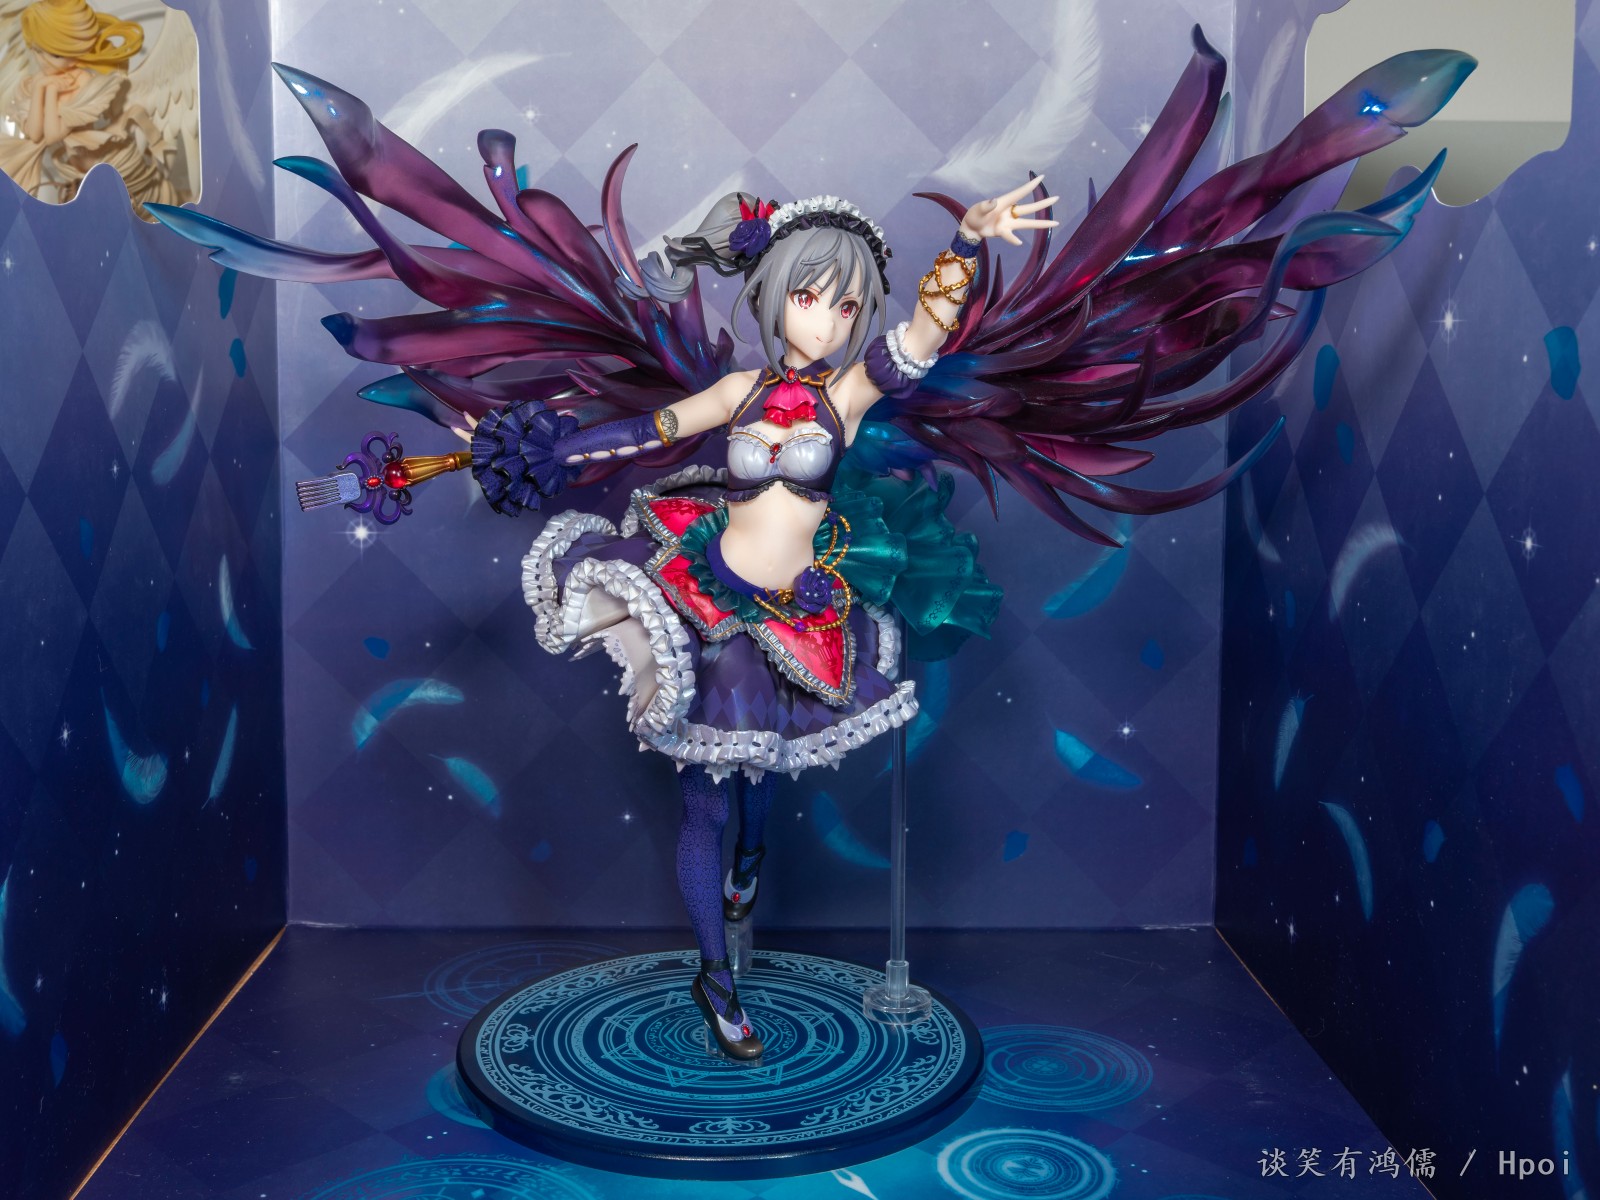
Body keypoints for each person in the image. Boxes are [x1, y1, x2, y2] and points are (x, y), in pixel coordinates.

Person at [150, 30, 1474, 1060]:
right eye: (811, 298)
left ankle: (740, 884)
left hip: (799, 613)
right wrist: (523, 450)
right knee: (706, 794)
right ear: (774, 298)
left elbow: (924, 342)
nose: (829, 318)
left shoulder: (847, 394)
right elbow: (644, 432)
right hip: (703, 593)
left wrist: (965, 247)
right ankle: (717, 982)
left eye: (846, 300)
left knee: (753, 802)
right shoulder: (741, 388)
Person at [0, 0, 180, 214]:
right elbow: (34, 133)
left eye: (55, 54)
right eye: (37, 51)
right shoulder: (41, 80)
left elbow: (53, 135)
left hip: (108, 162)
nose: (43, 61)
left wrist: (50, 91)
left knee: (136, 210)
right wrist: (41, 88)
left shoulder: (84, 81)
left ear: (76, 49)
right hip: (75, 169)